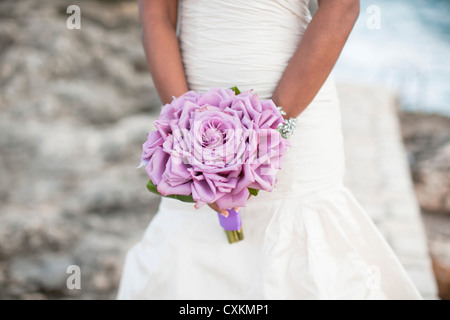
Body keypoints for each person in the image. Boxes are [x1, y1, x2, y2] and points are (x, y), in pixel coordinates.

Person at [117, 0, 422, 299]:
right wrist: (188, 133)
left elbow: (341, 7)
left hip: (295, 111)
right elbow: (157, 16)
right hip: (195, 117)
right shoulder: (190, 133)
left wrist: (267, 135)